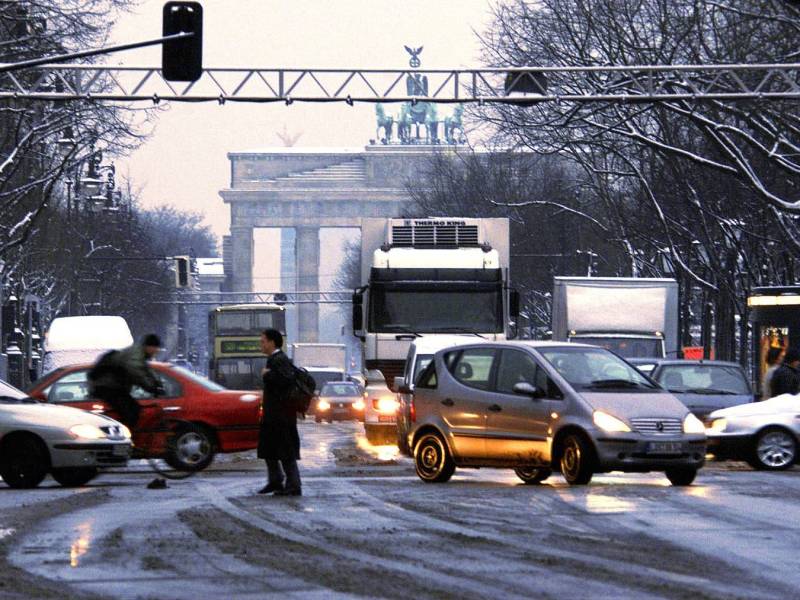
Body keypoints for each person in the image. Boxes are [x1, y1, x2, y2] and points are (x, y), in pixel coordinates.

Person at [257, 328, 302, 496]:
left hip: (282, 417)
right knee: (270, 449)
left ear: (271, 342)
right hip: (273, 416)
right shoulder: (274, 359)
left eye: (263, 341)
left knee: (285, 451)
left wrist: (267, 375)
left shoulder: (280, 360)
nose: (261, 345)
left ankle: (293, 485)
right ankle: (275, 481)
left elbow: (286, 381)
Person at [88, 333, 163, 430]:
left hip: (115, 387)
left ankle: (127, 434)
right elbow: (137, 373)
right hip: (106, 386)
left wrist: (157, 384)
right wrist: (151, 388)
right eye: (156, 348)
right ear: (149, 347)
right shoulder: (135, 355)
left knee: (133, 409)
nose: (157, 351)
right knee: (131, 411)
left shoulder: (140, 354)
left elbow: (147, 371)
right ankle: (124, 438)